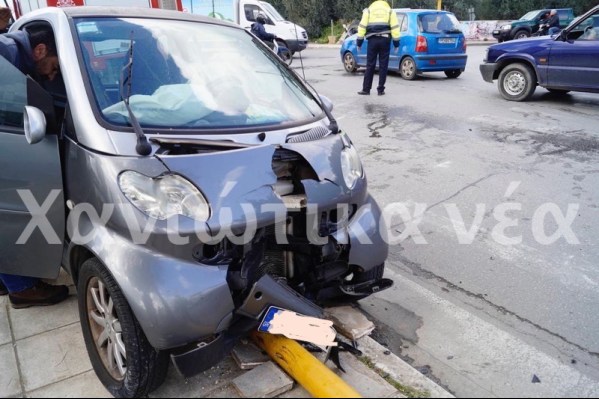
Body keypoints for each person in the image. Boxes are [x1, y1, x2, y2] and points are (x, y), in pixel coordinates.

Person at [0, 27, 68, 309]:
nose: (51, 76)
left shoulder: (10, 52)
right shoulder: (6, 56)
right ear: (39, 50)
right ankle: (22, 288)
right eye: (52, 67)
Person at [356, 0, 400, 96]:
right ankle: (380, 90)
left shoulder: (369, 10)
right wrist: (396, 44)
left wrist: (359, 43)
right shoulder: (389, 10)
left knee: (370, 64)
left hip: (372, 40)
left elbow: (362, 26)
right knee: (383, 65)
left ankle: (366, 89)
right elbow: (395, 28)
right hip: (385, 40)